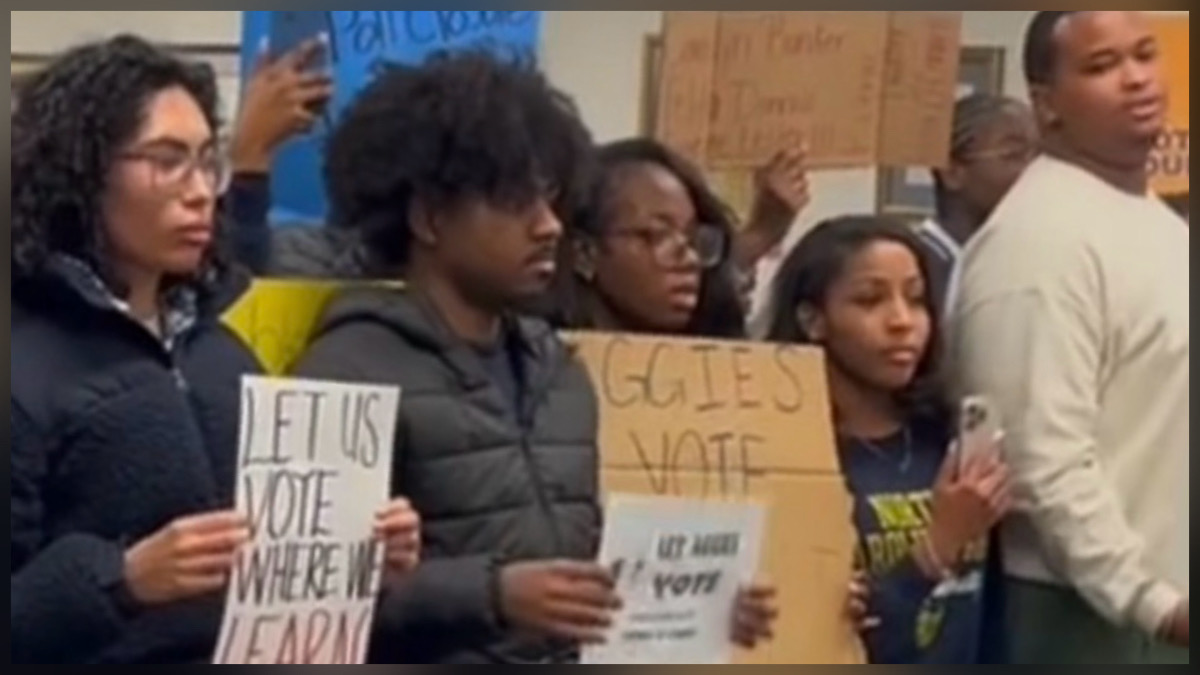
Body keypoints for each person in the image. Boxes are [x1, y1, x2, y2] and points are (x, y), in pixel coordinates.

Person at [291, 52, 776, 664]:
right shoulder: (344, 373)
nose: (549, 227)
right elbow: (302, 601)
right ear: (430, 218)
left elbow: (580, 574)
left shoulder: (562, 372)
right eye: (517, 202)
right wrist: (490, 595)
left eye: (552, 201)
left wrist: (695, 606)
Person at [9, 35, 419, 664]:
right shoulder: (24, 361)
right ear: (83, 172)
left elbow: (268, 559)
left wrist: (357, 551)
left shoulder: (222, 350)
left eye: (208, 162)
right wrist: (122, 580)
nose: (200, 190)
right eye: (167, 160)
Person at [950, 11, 1189, 664]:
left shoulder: (1154, 221)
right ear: (1046, 105)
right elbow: (1038, 460)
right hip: (1098, 619)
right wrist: (1154, 603)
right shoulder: (1036, 242)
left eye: (1145, 54)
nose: (1137, 79)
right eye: (1102, 66)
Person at [766, 216, 1011, 664]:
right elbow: (835, 638)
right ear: (812, 319)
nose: (902, 322)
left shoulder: (946, 438)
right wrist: (938, 543)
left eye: (916, 300)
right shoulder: (795, 458)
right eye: (869, 300)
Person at [552, 137, 808, 338]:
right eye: (659, 235)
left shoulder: (711, 367)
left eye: (693, 238)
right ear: (584, 254)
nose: (690, 259)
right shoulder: (539, 370)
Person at [916, 94, 1038, 314]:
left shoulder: (1023, 263)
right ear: (951, 171)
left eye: (1038, 156)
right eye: (1013, 155)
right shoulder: (919, 268)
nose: (1033, 171)